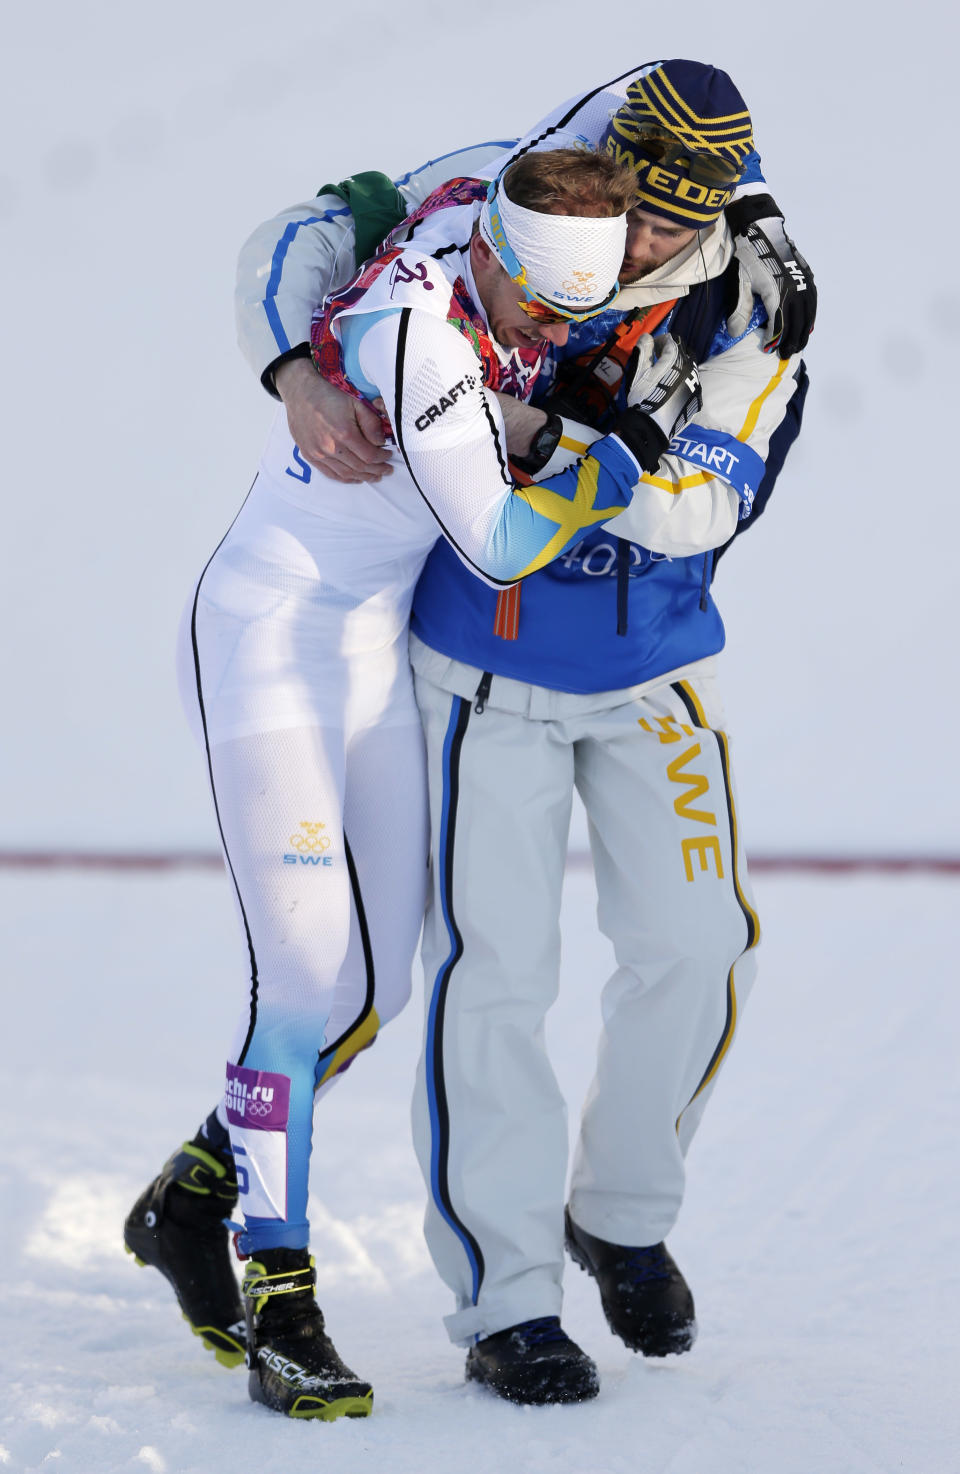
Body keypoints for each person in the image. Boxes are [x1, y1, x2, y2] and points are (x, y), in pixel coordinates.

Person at [231, 59, 813, 1407]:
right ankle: (507, 1301)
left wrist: (535, 436)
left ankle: (619, 1210)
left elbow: (696, 506)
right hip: (477, 669)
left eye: (679, 218)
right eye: (632, 203)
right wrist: (292, 372)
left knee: (698, 940)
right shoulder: (521, 191)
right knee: (494, 977)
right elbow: (311, 234)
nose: (642, 239)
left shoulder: (761, 296)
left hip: (653, 663)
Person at [124, 145, 704, 1421]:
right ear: (490, 252)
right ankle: (284, 1299)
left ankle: (193, 1194)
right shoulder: (417, 330)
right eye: (541, 308)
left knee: (382, 984)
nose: (555, 331)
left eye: (577, 308)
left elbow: (377, 200)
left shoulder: (496, 208)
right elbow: (498, 544)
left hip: (367, 650)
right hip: (270, 640)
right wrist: (612, 461)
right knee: (303, 977)